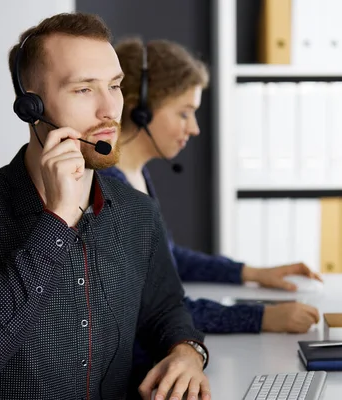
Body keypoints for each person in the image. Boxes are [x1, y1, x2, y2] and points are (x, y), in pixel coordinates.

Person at [0, 13, 211, 400]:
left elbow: (166, 309)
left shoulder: (137, 212)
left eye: (115, 85)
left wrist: (188, 352)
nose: (110, 109)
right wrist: (57, 220)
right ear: (31, 107)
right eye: (83, 90)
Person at [99, 37, 322, 336]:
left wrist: (250, 273)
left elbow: (167, 257)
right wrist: (262, 318)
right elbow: (150, 308)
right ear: (142, 109)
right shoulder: (112, 189)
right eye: (184, 112)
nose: (194, 128)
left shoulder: (133, 174)